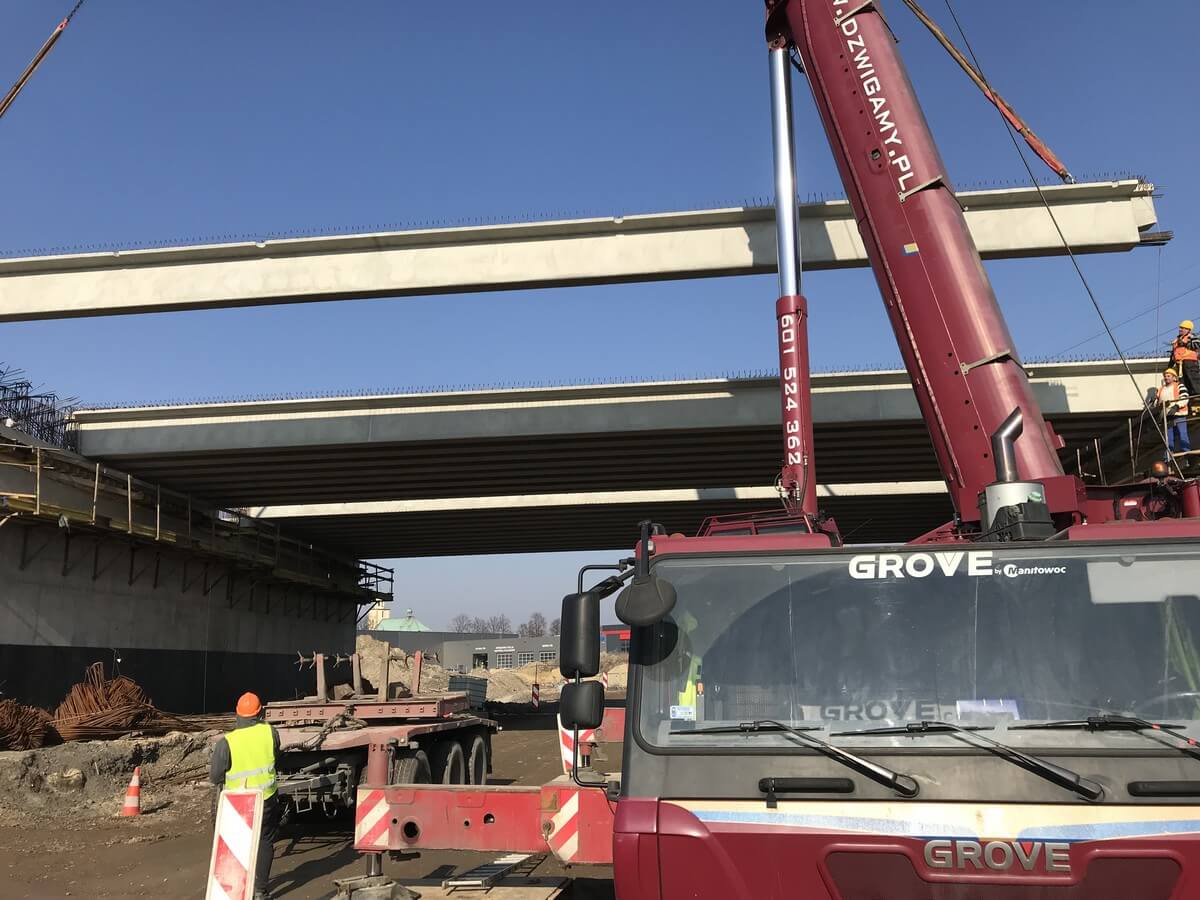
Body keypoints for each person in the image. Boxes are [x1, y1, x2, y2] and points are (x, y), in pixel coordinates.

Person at [209, 692, 282, 900]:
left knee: (237, 844)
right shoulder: (270, 732)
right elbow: (276, 757)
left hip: (238, 803)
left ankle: (235, 889)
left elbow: (215, 777)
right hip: (266, 798)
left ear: (238, 714)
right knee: (265, 841)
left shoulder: (227, 742)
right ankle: (260, 891)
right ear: (261, 713)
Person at [1155, 369, 1191, 462]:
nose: (1166, 377)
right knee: (1168, 438)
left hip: (1179, 414)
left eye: (1168, 376)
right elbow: (1157, 403)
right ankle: (1168, 456)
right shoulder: (1161, 389)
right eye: (1165, 376)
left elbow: (1185, 397)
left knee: (1182, 434)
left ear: (1174, 378)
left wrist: (1176, 406)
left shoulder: (1179, 386)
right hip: (1167, 416)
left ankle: (1187, 454)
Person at [1170, 320, 1200, 398]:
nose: (1181, 329)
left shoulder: (1192, 337)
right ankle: (1186, 396)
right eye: (1180, 328)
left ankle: (1197, 395)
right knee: (1182, 381)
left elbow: (1197, 346)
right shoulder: (1176, 340)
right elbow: (1173, 354)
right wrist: (1170, 367)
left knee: (1193, 378)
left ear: (1188, 330)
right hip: (1179, 364)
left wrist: (1186, 343)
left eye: (1183, 328)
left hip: (1190, 362)